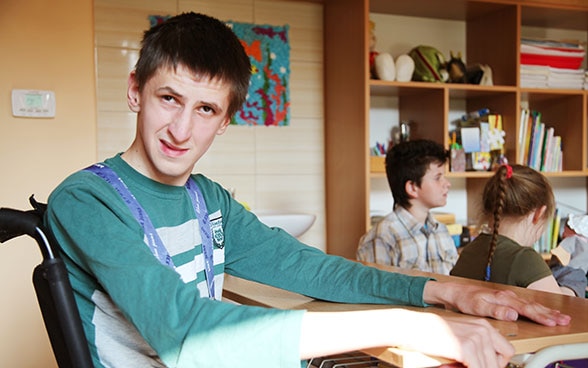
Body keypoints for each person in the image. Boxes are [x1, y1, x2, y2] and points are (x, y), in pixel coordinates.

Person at [44, 12, 570, 368]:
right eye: (168, 98)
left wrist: (439, 291)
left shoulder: (210, 202)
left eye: (205, 109)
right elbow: (182, 332)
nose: (181, 130)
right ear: (136, 91)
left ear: (225, 121)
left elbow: (309, 268)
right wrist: (412, 328)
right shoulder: (87, 201)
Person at [450, 164, 577, 296]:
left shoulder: (469, 251)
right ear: (538, 213)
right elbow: (559, 307)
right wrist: (573, 282)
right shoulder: (525, 259)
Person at [357, 139, 458, 274]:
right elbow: (375, 291)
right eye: (437, 177)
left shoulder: (442, 231)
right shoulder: (383, 237)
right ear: (412, 187)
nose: (447, 184)